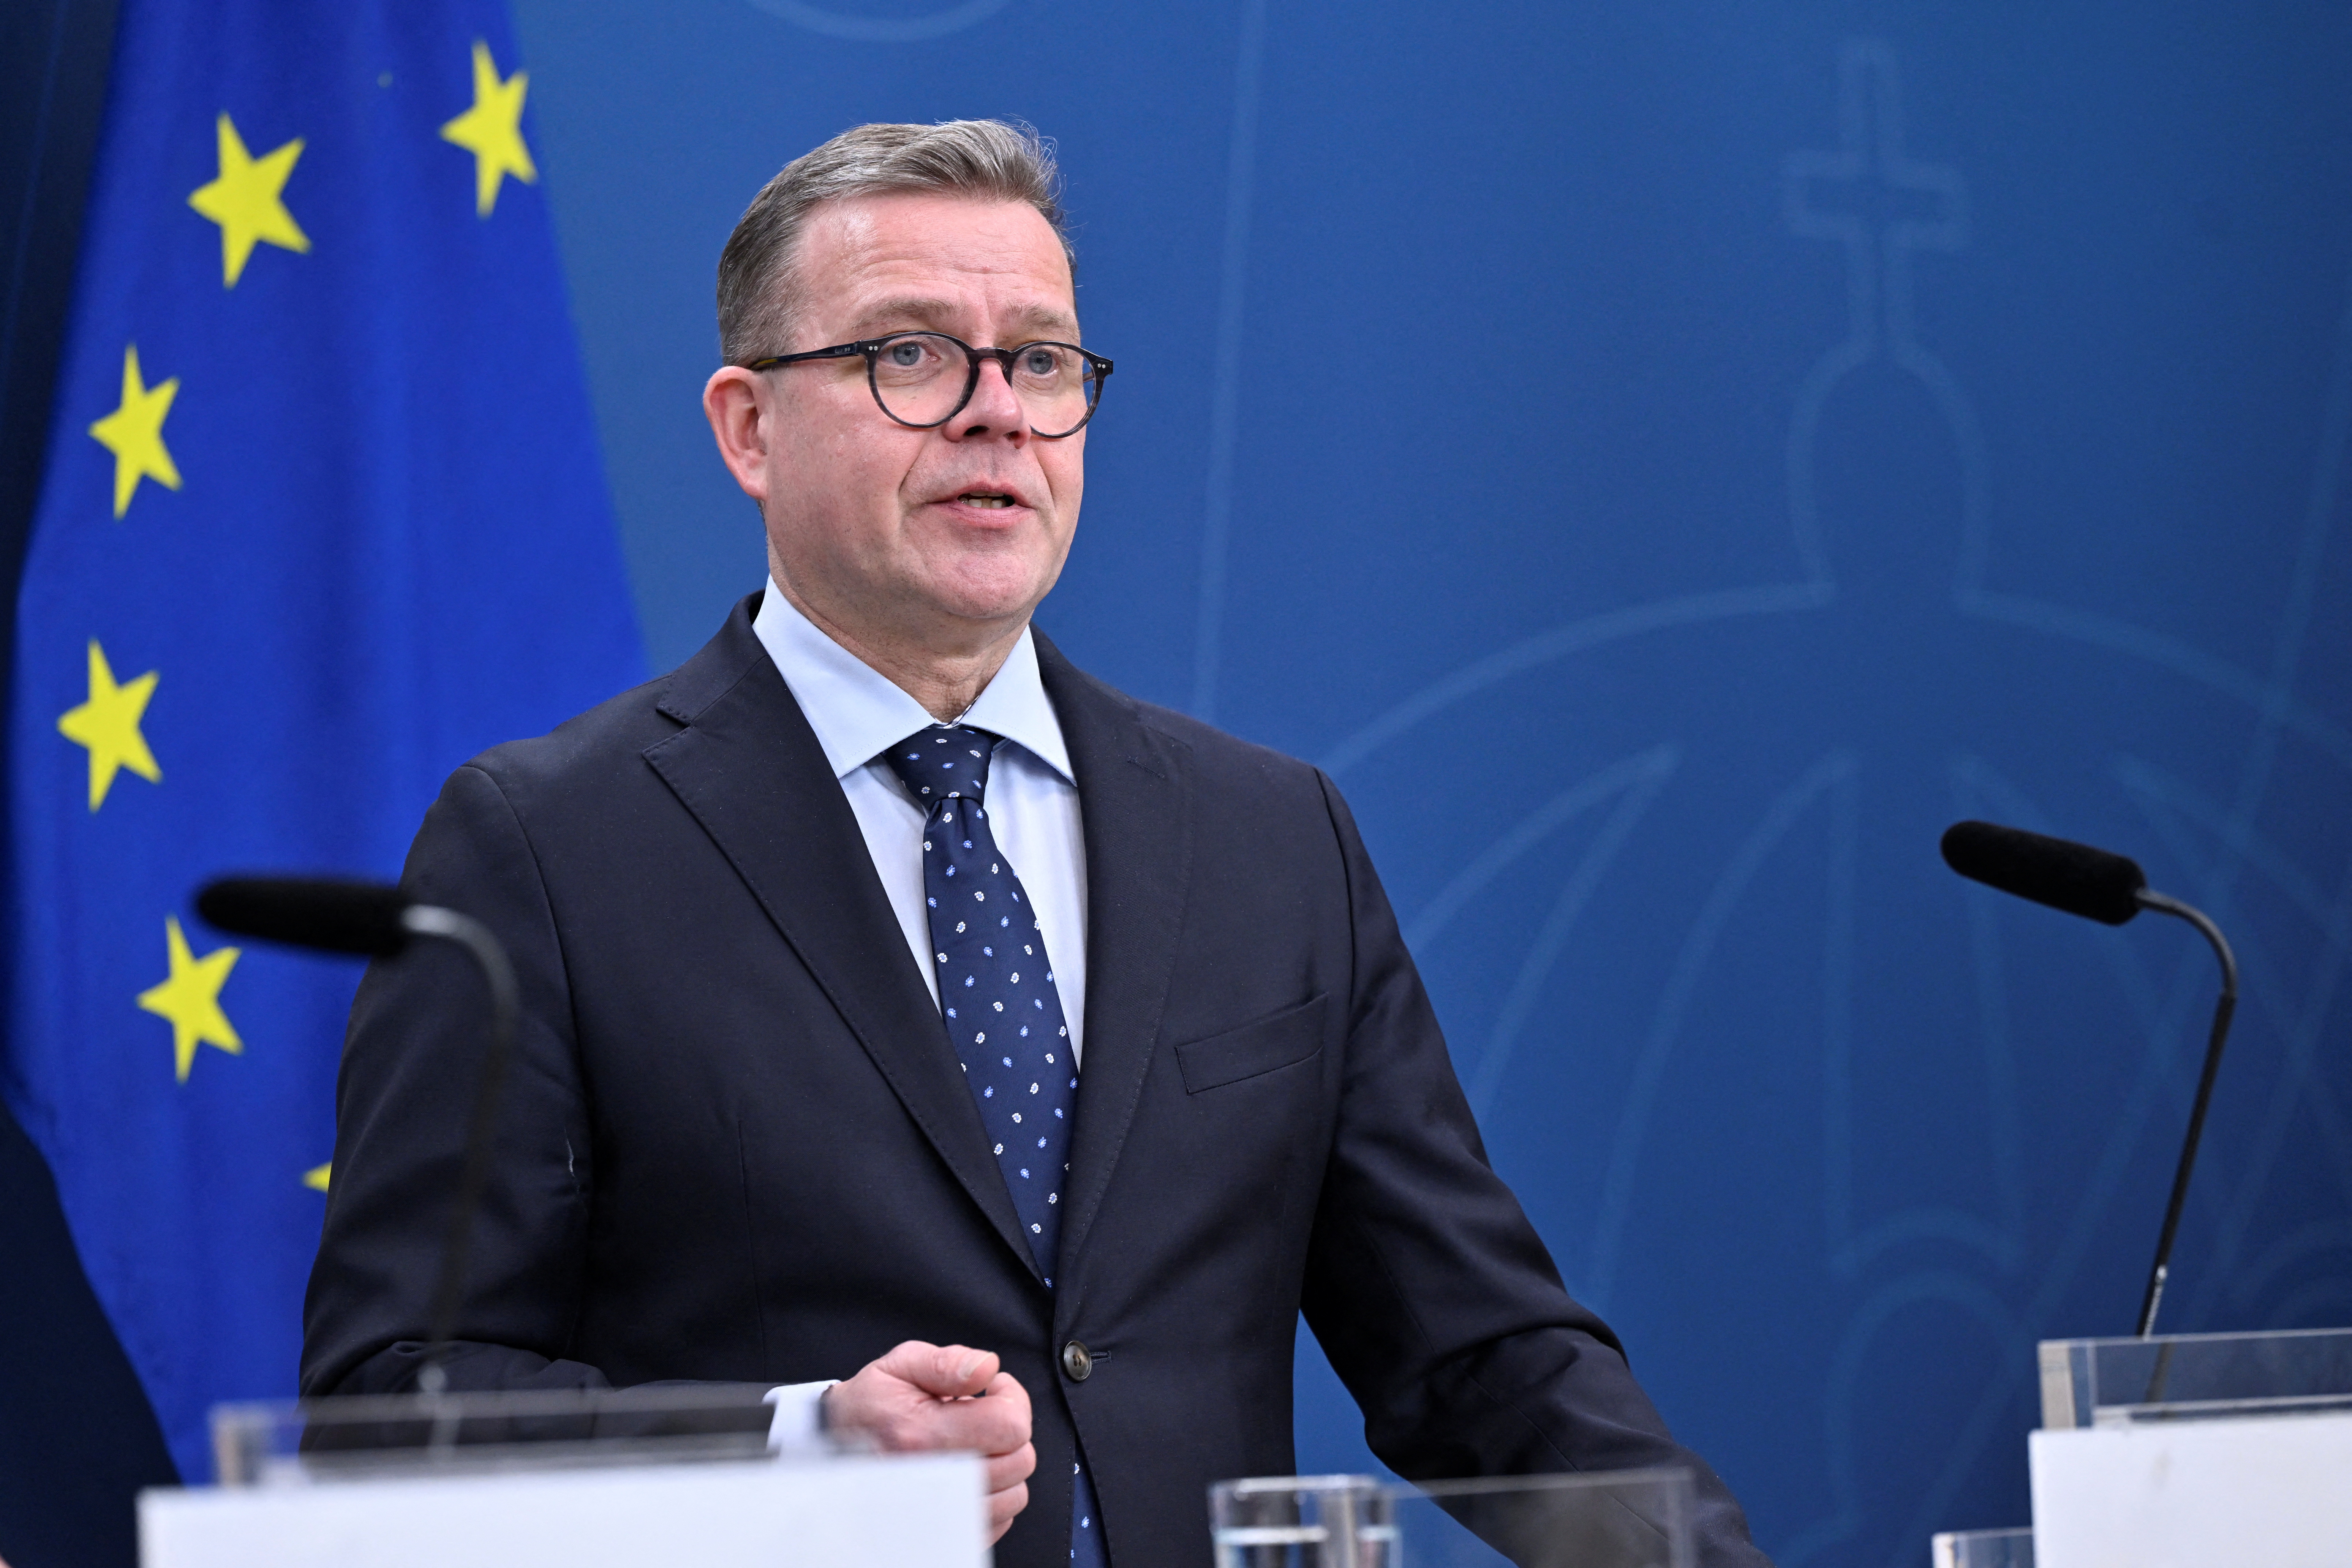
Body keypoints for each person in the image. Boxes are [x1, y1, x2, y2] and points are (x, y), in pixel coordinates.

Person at [301, 120, 1772, 1568]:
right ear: (751, 428)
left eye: (1044, 362)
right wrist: (800, 1445)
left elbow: (1482, 1358)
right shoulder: (550, 848)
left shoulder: (1269, 838)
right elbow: (388, 1407)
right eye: (911, 355)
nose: (999, 412)